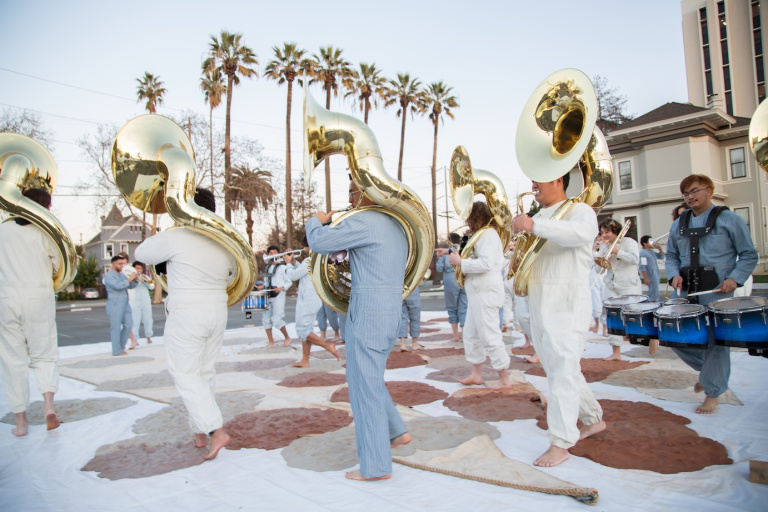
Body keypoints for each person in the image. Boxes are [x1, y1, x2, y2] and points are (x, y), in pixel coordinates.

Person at [306, 178, 412, 482]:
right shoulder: (396, 224)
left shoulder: (366, 220)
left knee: (363, 387)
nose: (350, 198)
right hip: (390, 309)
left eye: (351, 191)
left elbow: (318, 243)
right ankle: (396, 432)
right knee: (370, 377)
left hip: (369, 312)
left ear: (365, 193)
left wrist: (317, 220)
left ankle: (376, 466)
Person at [135, 188, 236, 460]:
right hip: (217, 308)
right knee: (204, 372)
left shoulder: (177, 235)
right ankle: (200, 432)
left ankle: (215, 430)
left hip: (188, 309)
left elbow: (142, 253)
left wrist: (170, 229)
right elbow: (234, 275)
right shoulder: (226, 240)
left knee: (184, 372)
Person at [512, 173, 605, 467]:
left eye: (540, 179)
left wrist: (534, 225)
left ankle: (561, 442)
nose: (533, 186)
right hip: (539, 298)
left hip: (566, 299)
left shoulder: (581, 210)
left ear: (559, 182)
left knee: (563, 369)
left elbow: (580, 235)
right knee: (559, 368)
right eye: (532, 181)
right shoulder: (539, 215)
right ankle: (593, 419)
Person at [665, 174, 758, 414]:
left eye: (695, 191)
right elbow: (672, 255)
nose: (690, 197)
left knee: (716, 343)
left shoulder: (729, 219)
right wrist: (674, 273)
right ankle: (709, 374)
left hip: (718, 293)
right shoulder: (679, 223)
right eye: (686, 194)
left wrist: (734, 278)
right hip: (687, 292)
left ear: (709, 190)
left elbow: (748, 255)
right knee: (673, 334)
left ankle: (712, 393)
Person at [0, 188, 62, 436]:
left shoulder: (2, 229)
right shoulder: (47, 232)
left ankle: (21, 421)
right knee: (44, 353)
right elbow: (61, 265)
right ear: (46, 206)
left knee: (12, 358)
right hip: (38, 293)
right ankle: (48, 406)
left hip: (5, 295)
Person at [437, 202, 512, 388]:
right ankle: (476, 374)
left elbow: (485, 263)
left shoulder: (489, 235)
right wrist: (449, 252)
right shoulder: (482, 235)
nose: (466, 220)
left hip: (486, 292)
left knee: (490, 336)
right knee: (471, 334)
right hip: (477, 293)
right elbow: (471, 253)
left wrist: (461, 262)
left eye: (469, 216)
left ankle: (504, 378)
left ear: (476, 217)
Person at [285, 237, 340, 367]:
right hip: (313, 298)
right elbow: (303, 272)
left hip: (307, 300)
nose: (303, 249)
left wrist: (287, 263)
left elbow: (293, 276)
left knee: (302, 330)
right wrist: (293, 261)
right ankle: (305, 360)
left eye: (304, 246)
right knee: (307, 329)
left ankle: (328, 346)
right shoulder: (319, 259)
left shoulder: (309, 259)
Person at [599, 219, 641, 361]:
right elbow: (599, 268)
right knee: (612, 317)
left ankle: (650, 339)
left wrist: (617, 251)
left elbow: (635, 260)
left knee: (633, 316)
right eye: (602, 232)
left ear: (615, 231)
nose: (604, 235)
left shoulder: (629, 242)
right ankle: (616, 351)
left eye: (607, 232)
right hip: (611, 285)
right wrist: (601, 256)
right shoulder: (604, 245)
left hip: (628, 284)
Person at [258, 245, 292, 348]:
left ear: (279, 254)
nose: (273, 255)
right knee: (266, 319)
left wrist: (281, 288)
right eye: (270, 253)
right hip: (268, 294)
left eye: (275, 252)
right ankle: (271, 342)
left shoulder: (283, 267)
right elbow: (267, 282)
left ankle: (287, 338)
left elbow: (289, 281)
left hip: (279, 295)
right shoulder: (267, 267)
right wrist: (263, 286)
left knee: (276, 319)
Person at [104, 254, 139, 356]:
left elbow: (131, 286)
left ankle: (121, 346)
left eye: (123, 264)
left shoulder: (122, 275)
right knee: (115, 328)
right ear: (113, 264)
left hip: (125, 304)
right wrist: (129, 279)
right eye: (119, 264)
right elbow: (118, 286)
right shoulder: (109, 276)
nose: (122, 266)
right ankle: (116, 350)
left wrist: (135, 279)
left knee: (129, 325)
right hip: (114, 305)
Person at [435, 232, 467, 341]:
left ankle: (456, 336)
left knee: (452, 308)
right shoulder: (464, 249)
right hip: (463, 279)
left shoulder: (447, 252)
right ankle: (465, 334)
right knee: (464, 307)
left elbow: (439, 268)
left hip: (450, 279)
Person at [128, 261, 155, 347]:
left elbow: (152, 286)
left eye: (140, 268)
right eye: (137, 268)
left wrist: (146, 280)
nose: (139, 270)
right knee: (135, 320)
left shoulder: (146, 277)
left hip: (145, 299)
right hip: (135, 300)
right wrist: (135, 279)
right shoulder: (131, 277)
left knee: (148, 318)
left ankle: (148, 336)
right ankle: (135, 339)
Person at [639, 236, 665, 302]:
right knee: (653, 293)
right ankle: (650, 305)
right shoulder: (643, 253)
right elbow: (642, 266)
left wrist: (660, 249)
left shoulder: (652, 252)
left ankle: (649, 303)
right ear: (645, 243)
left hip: (655, 274)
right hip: (650, 275)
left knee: (654, 292)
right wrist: (646, 278)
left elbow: (661, 257)